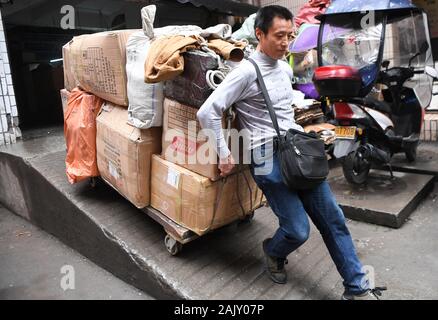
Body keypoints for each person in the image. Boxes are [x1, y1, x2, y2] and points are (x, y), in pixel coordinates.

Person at [197, 5, 385, 300]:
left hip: (296, 150)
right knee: (298, 230)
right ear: (260, 34)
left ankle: (357, 286)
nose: (286, 43)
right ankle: (273, 251)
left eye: (290, 35)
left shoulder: (285, 68)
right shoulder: (245, 72)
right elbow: (207, 112)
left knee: (332, 219)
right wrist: (223, 153)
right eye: (279, 36)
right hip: (265, 157)